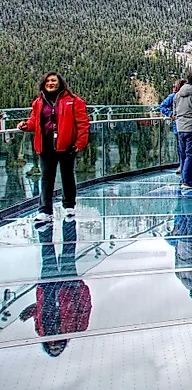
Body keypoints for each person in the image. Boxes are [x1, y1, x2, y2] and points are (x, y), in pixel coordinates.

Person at [17, 72, 90, 222]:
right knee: (46, 178)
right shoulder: (38, 102)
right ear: (44, 84)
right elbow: (34, 121)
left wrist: (79, 144)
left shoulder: (74, 101)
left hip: (67, 146)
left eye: (54, 80)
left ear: (61, 83)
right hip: (45, 146)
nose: (51, 83)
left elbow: (83, 124)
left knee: (67, 176)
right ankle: (45, 211)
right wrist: (25, 126)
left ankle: (69, 206)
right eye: (48, 81)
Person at [19, 219, 91, 357]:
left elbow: (42, 312)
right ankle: (69, 220)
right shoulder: (77, 329)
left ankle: (45, 227)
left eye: (52, 348)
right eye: (58, 348)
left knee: (47, 256)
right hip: (69, 287)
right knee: (68, 252)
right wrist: (80, 287)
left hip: (47, 290)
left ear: (45, 346)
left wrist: (30, 312)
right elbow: (85, 307)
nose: (54, 345)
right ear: (63, 346)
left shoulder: (41, 331)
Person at [159, 79, 187, 174]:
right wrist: (171, 114)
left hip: (185, 126)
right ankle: (183, 166)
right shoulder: (174, 96)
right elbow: (162, 106)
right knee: (181, 148)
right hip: (178, 127)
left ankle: (185, 166)